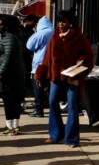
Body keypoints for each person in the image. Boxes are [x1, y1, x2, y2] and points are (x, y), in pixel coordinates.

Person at [38, 10, 93, 148]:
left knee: (73, 108)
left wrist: (80, 64)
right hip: (56, 77)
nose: (60, 24)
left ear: (70, 23)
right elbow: (47, 58)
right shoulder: (54, 37)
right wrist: (40, 74)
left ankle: (72, 139)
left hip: (72, 78)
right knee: (52, 103)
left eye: (63, 21)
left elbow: (88, 57)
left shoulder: (79, 38)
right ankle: (56, 134)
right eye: (59, 21)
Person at [0, 14, 27, 135]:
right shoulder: (12, 37)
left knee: (9, 100)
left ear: (7, 26)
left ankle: (10, 127)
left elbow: (8, 57)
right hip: (15, 74)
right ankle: (14, 126)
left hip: (9, 75)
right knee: (14, 101)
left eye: (0, 24)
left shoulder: (8, 38)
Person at [26, 16, 54, 117]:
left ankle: (38, 110)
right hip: (52, 65)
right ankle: (53, 110)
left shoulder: (40, 33)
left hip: (39, 64)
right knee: (49, 89)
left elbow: (29, 45)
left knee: (38, 88)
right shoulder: (54, 32)